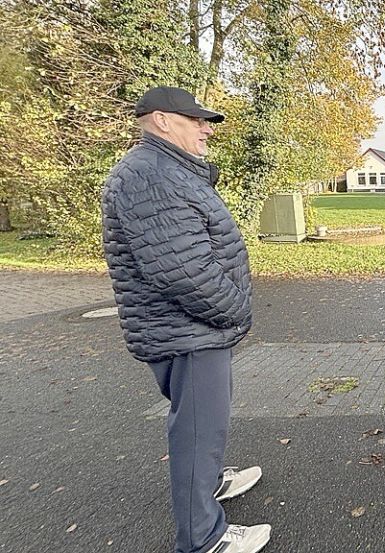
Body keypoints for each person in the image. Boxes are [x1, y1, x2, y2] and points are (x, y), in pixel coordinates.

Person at [101, 86, 270, 553]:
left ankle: (210, 482)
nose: (206, 128)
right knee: (197, 428)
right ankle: (202, 538)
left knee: (201, 422)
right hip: (189, 331)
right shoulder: (149, 175)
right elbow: (183, 273)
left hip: (188, 327)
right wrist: (237, 311)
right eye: (195, 120)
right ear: (161, 120)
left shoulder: (163, 169)